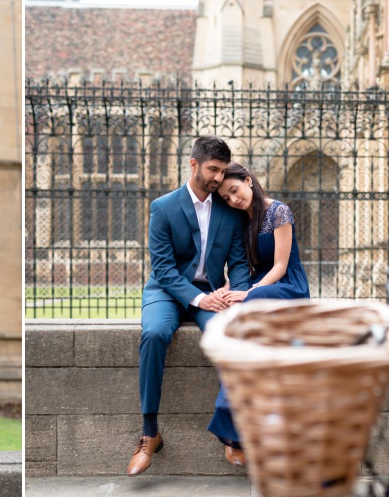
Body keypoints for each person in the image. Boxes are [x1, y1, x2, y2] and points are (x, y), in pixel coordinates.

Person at [128, 136, 252, 476]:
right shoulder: (163, 207)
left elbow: (239, 262)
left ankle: (232, 433)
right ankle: (149, 433)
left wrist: (235, 292)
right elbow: (164, 269)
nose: (218, 178)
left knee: (229, 337)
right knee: (154, 333)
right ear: (194, 164)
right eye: (213, 169)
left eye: (223, 171)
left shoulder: (230, 210)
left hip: (212, 294)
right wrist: (199, 298)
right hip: (167, 292)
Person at [207, 162, 312, 461]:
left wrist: (250, 293)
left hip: (288, 286)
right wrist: (227, 291)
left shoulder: (279, 211)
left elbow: (279, 267)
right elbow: (242, 268)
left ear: (249, 181)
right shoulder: (242, 220)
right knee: (229, 314)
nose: (233, 199)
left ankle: (229, 416)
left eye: (235, 191)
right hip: (259, 287)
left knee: (247, 302)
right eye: (226, 198)